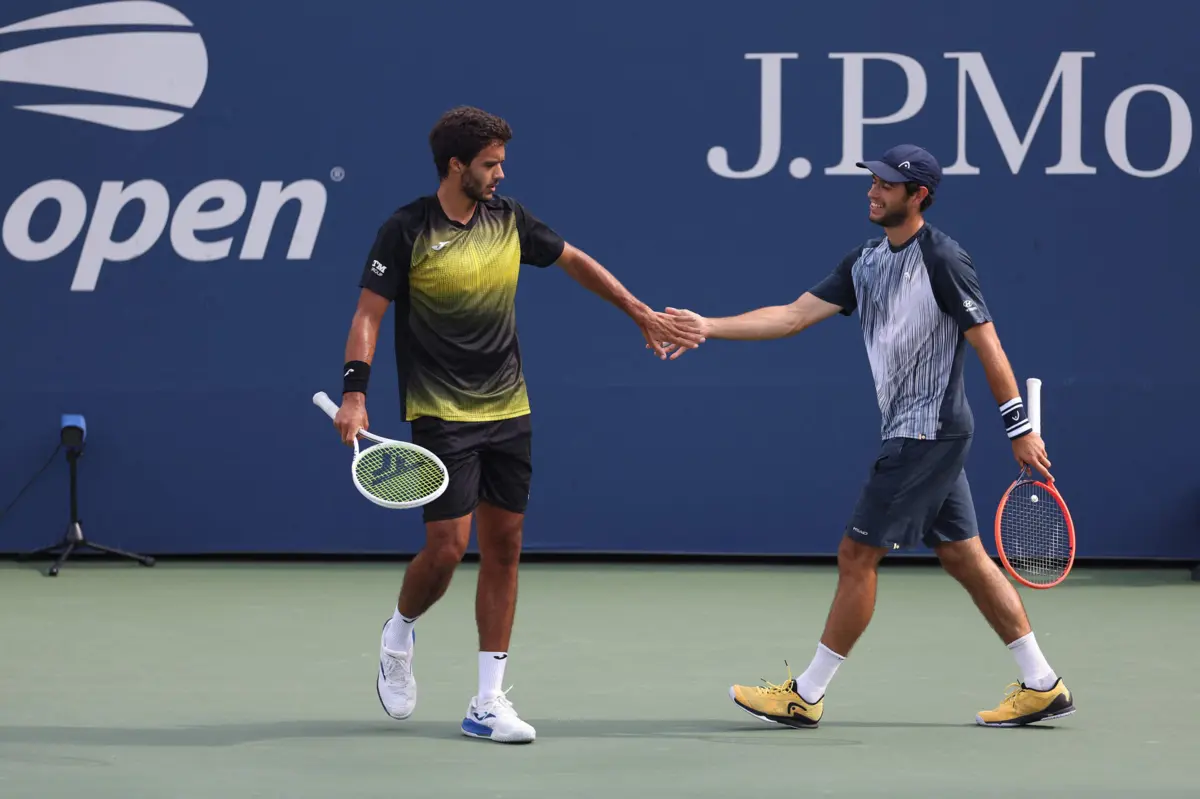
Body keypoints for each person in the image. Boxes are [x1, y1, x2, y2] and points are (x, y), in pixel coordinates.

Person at [660, 144, 1075, 729]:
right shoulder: (865, 263)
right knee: (965, 556)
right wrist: (709, 326)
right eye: (872, 181)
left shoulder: (944, 259)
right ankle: (1042, 683)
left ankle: (805, 694)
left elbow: (989, 344)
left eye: (886, 184)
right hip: (923, 433)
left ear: (918, 196)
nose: (873, 191)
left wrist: (1020, 430)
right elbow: (790, 316)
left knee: (857, 555)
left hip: (925, 433)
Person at [332, 106, 702, 744]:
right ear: (457, 166)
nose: (501, 174)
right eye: (490, 164)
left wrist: (638, 312)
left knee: (504, 548)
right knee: (447, 549)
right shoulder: (406, 230)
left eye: (501, 163)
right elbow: (368, 315)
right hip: (442, 412)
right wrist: (355, 395)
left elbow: (575, 260)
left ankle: (487, 700)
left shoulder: (511, 220)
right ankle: (399, 630)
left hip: (510, 410)